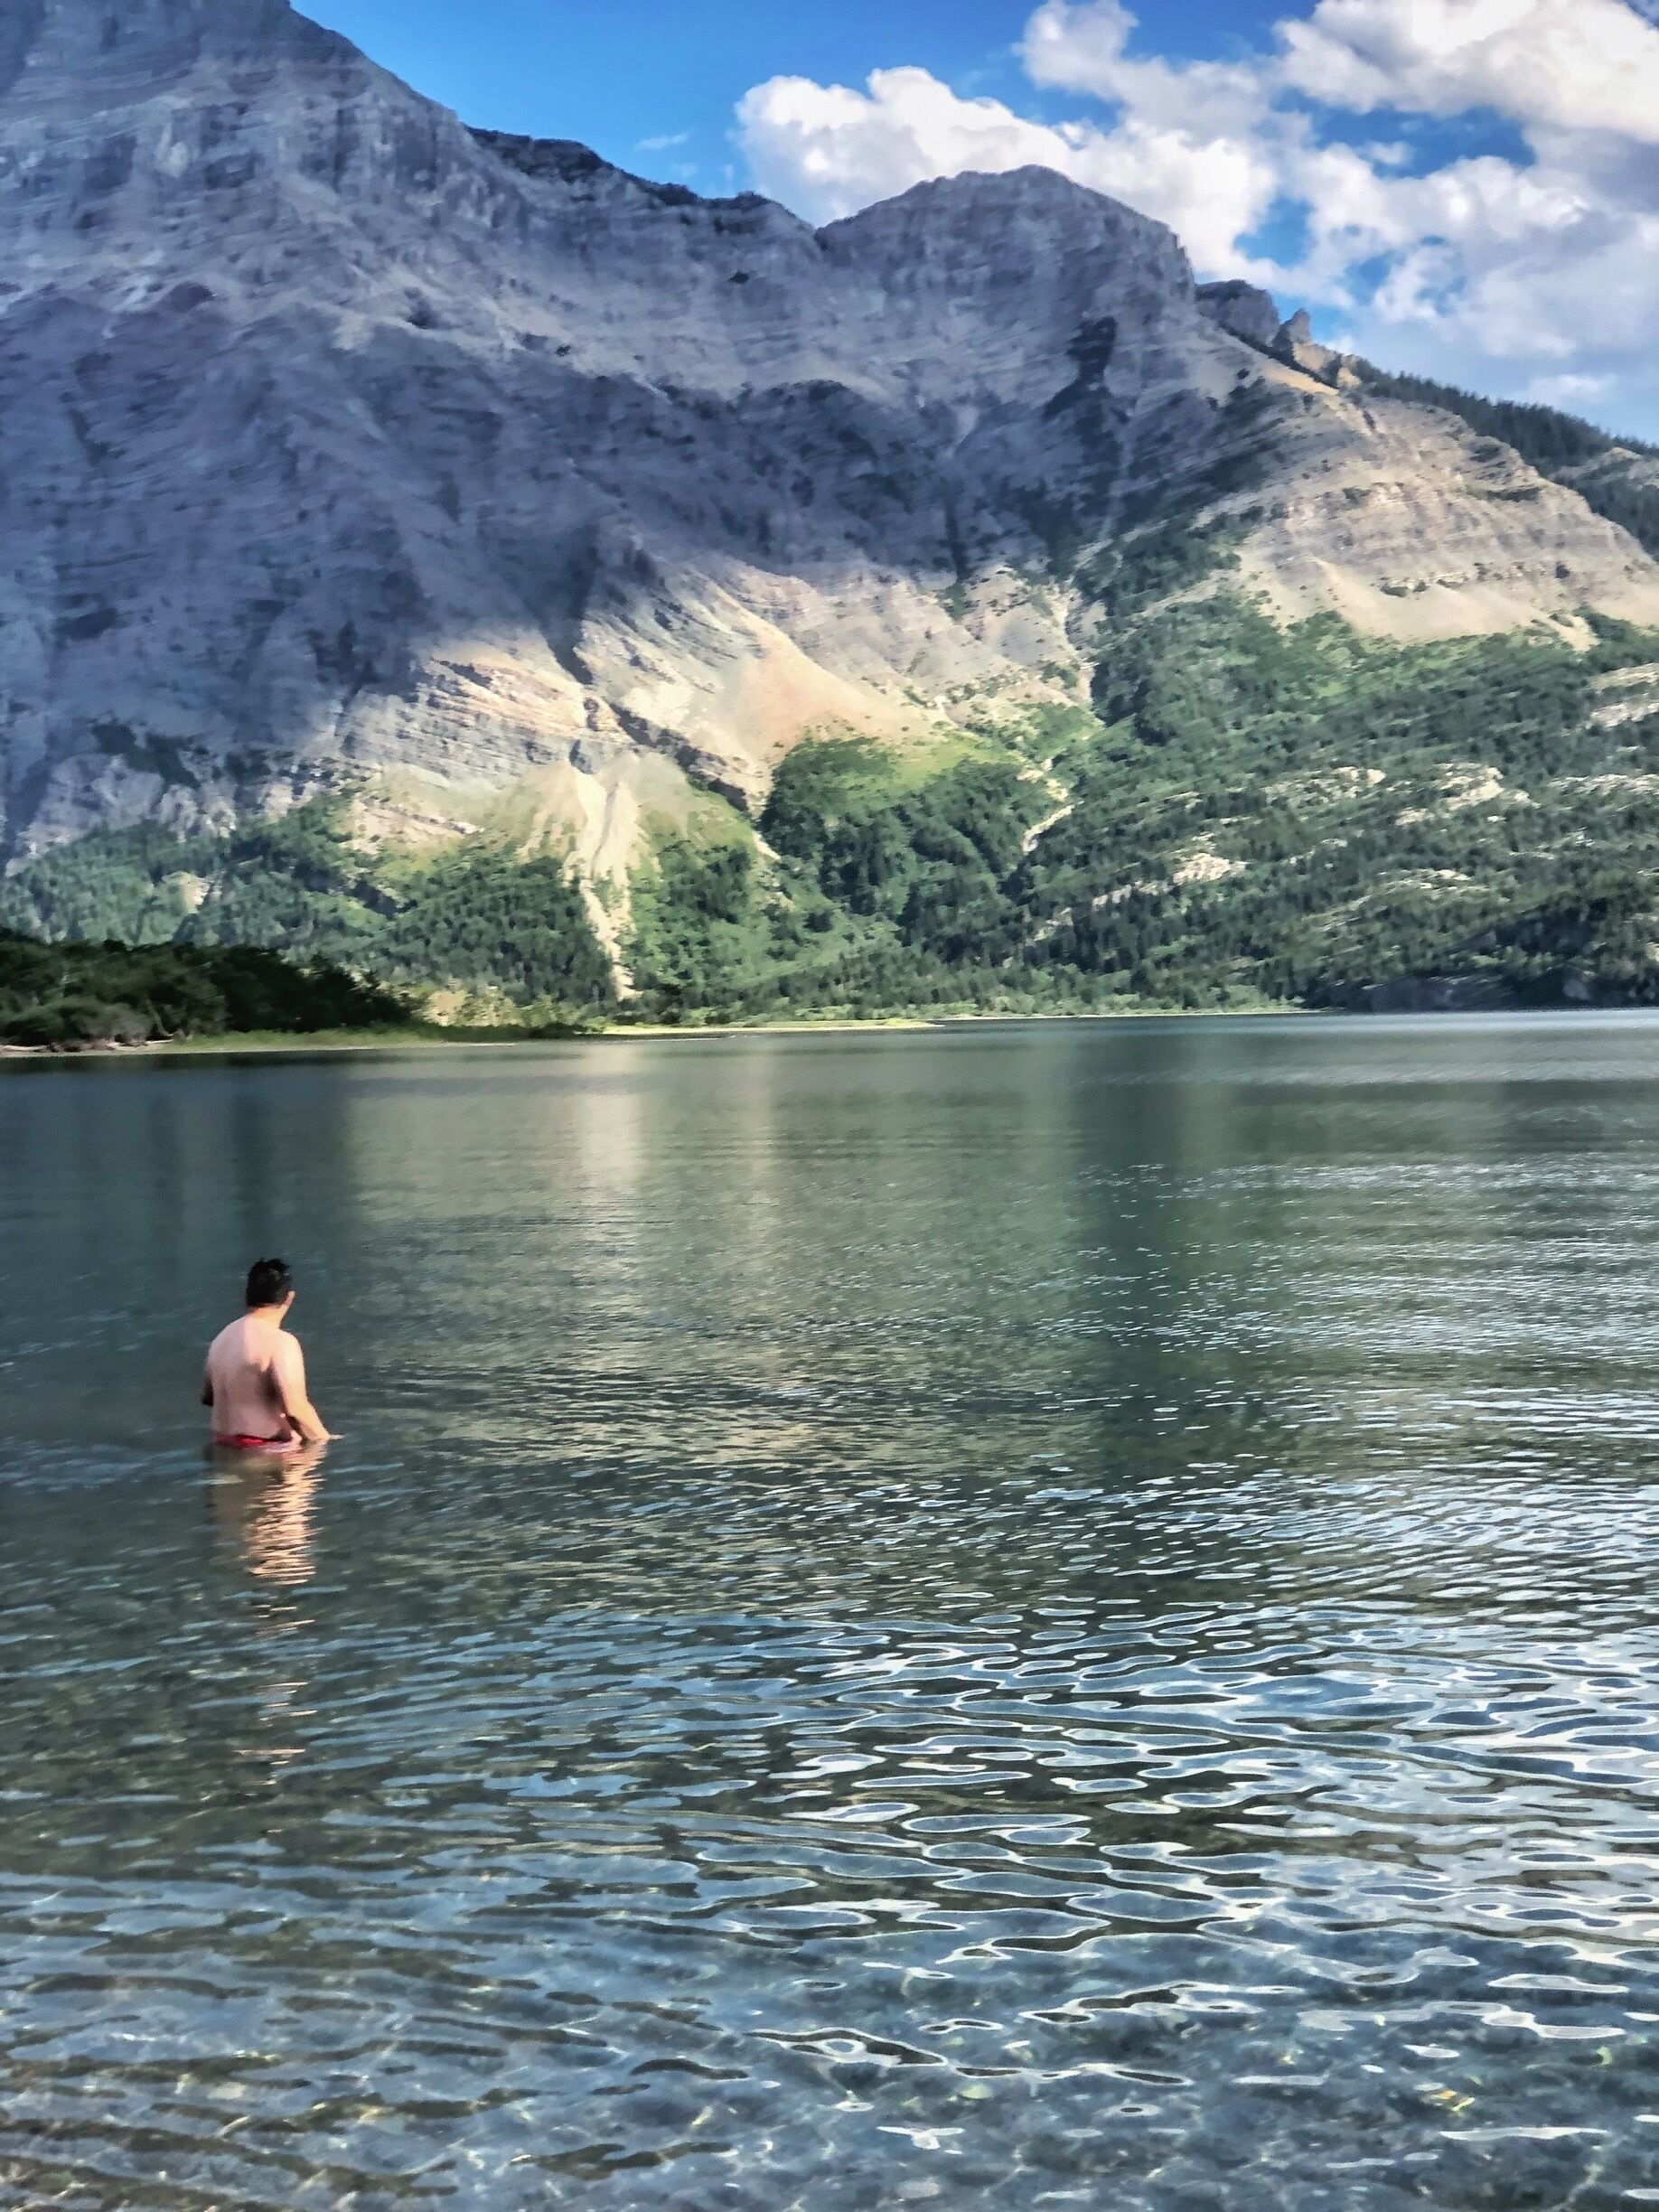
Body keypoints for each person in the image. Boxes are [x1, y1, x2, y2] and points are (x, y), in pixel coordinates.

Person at [202, 1258, 334, 1450]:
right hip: (267, 1451)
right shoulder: (280, 1342)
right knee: (312, 1457)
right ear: (289, 1298)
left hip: (222, 1446)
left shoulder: (220, 1340)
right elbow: (295, 1409)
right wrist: (327, 1440)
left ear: (246, 1295)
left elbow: (208, 1397)